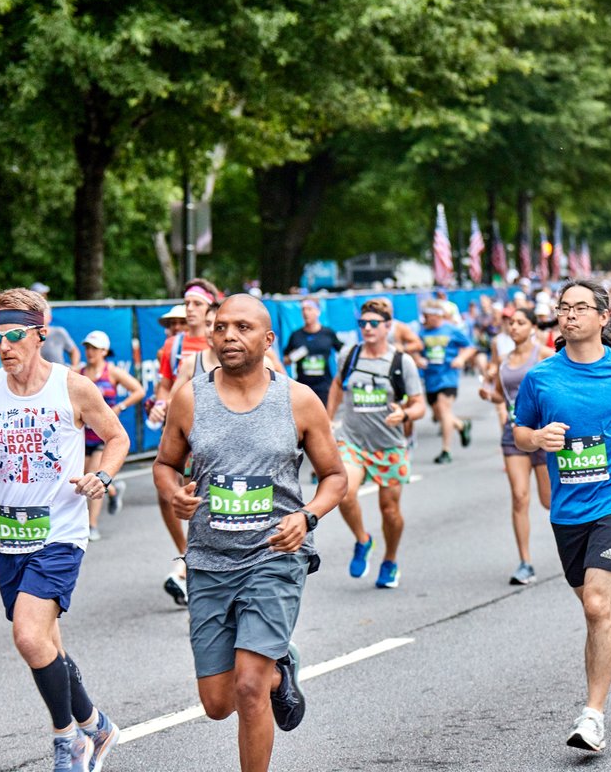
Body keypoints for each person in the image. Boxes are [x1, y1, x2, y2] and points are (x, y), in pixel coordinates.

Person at [153, 294, 346, 772]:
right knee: (218, 703)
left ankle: (265, 676)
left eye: (242, 327)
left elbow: (335, 477)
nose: (228, 336)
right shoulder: (190, 397)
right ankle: (281, 671)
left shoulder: (298, 399)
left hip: (275, 555)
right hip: (209, 560)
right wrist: (174, 494)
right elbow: (164, 465)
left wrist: (307, 517)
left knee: (248, 687)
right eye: (220, 328)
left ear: (267, 338)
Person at [0, 287, 127, 772]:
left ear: (40, 335)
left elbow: (116, 437)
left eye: (14, 335)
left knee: (28, 637)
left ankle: (68, 740)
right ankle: (98, 726)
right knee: (47, 643)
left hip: (61, 532)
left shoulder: (74, 386)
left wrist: (102, 476)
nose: (4, 346)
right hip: (8, 534)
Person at [513, 279, 611, 753]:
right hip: (568, 508)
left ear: (604, 317)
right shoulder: (540, 377)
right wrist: (538, 440)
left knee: (597, 605)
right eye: (564, 308)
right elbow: (519, 432)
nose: (570, 315)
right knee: (595, 603)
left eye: (581, 307)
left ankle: (592, 717)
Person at [327, 299, 425, 589]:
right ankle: (363, 539)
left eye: (373, 324)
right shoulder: (350, 354)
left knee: (390, 510)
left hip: (390, 445)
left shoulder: (400, 362)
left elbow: (419, 404)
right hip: (352, 440)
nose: (367, 329)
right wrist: (327, 419)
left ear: (387, 327)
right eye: (362, 323)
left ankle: (390, 560)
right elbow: (336, 385)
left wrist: (405, 413)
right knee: (344, 493)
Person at [148, 278, 223, 606]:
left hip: (215, 437)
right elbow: (167, 387)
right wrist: (161, 404)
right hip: (182, 433)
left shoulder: (231, 341)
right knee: (168, 495)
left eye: (196, 304)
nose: (189, 310)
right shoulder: (174, 347)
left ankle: (194, 564)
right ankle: (187, 555)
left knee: (201, 498)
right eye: (187, 303)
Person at [480, 307, 553, 585]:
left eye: (521, 323)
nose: (514, 328)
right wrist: (489, 395)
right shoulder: (503, 359)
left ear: (533, 327)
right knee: (520, 497)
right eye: (511, 323)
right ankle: (525, 562)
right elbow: (502, 396)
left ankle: (580, 543)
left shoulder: (545, 356)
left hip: (544, 434)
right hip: (513, 435)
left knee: (549, 501)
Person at [78, 330, 143, 541]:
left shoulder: (112, 372)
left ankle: (92, 525)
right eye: (87, 347)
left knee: (94, 475)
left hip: (103, 437)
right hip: (82, 436)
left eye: (94, 348)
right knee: (83, 478)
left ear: (104, 351)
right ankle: (113, 490)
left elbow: (139, 390)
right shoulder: (78, 373)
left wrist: (120, 406)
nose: (90, 352)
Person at [416, 301, 475, 464]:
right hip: (430, 378)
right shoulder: (422, 332)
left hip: (448, 377)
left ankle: (446, 450)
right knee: (439, 414)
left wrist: (461, 358)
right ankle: (461, 425)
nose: (425, 319)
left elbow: (470, 347)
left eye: (427, 316)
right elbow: (415, 349)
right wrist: (418, 359)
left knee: (443, 409)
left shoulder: (451, 330)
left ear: (437, 315)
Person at [283, 298, 343, 404]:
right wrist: (293, 356)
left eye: (309, 309)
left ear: (318, 311)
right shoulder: (296, 335)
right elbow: (284, 360)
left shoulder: (328, 333)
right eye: (303, 309)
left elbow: (343, 352)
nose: (306, 313)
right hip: (303, 388)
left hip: (324, 387)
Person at [40, 305, 82, 369]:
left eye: (43, 315)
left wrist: (74, 367)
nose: (40, 318)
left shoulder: (59, 332)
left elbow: (74, 351)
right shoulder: (31, 335)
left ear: (50, 318)